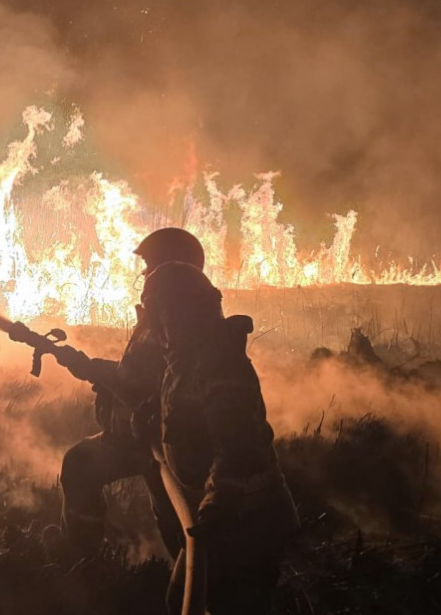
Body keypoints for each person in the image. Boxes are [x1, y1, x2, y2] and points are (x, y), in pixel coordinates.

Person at [136, 260, 299, 615]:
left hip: (246, 520)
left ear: (176, 312)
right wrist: (152, 416)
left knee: (229, 604)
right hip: (217, 520)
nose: (152, 326)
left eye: (157, 313)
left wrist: (216, 511)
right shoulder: (183, 359)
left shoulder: (219, 364)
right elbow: (184, 414)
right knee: (184, 600)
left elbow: (237, 447)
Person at [55, 228, 206, 561]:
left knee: (178, 522)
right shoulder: (160, 315)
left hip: (166, 442)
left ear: (173, 267)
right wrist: (86, 365)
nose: (144, 273)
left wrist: (96, 372)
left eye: (150, 264)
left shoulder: (181, 322)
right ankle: (82, 560)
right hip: (136, 435)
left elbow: (156, 387)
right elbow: (135, 375)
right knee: (80, 465)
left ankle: (196, 590)